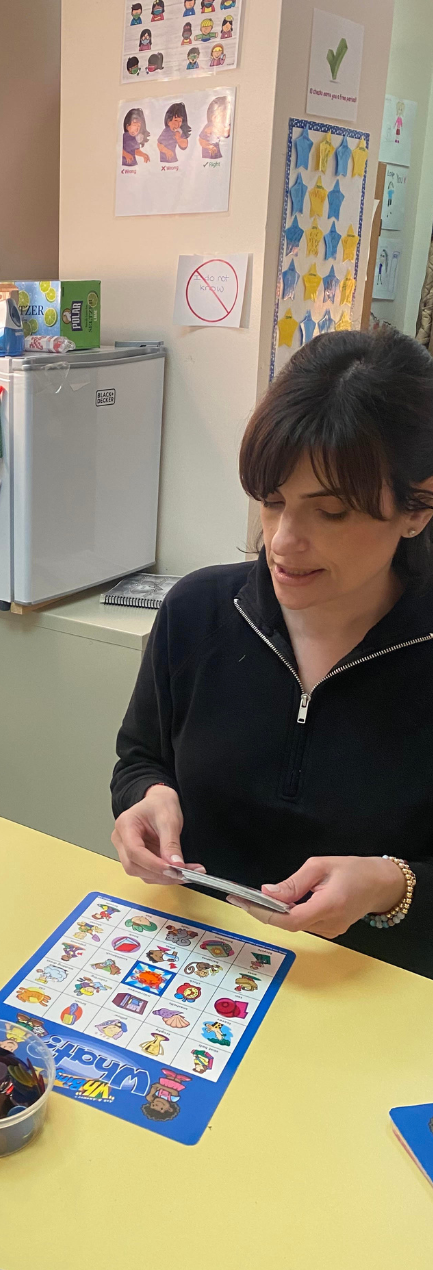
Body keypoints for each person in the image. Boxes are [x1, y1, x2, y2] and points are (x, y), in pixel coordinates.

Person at [111, 329, 433, 978]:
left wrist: (390, 886)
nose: (282, 541)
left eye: (331, 512)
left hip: (371, 988)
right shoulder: (198, 611)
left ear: (416, 508)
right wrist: (145, 800)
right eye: (272, 501)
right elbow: (141, 758)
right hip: (192, 967)